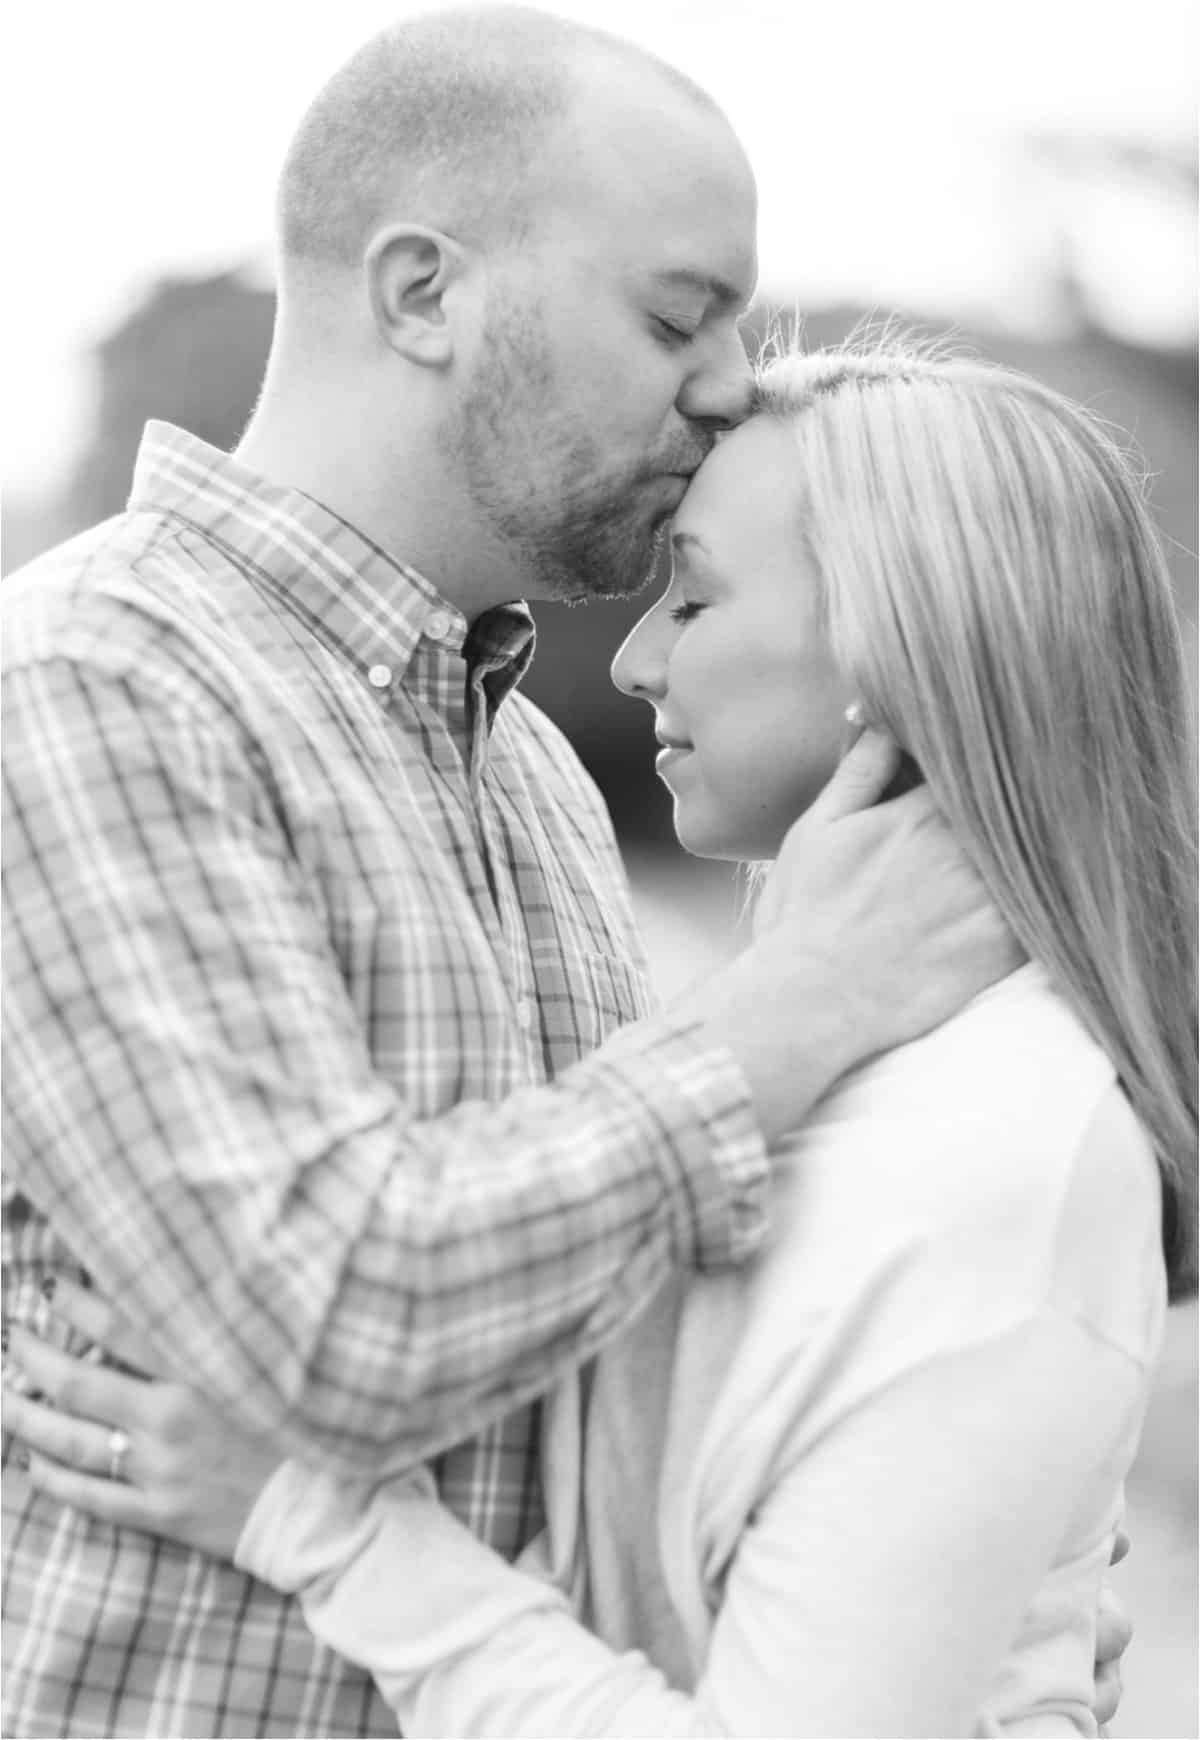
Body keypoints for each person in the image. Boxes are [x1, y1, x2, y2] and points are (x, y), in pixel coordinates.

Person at [0, 9, 1023, 1738]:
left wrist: (957, 1627)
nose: (726, 387)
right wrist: (801, 1006)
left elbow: (598, 1367)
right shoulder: (95, 682)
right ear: (422, 296)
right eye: (677, 316)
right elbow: (331, 1332)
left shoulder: (526, 760)